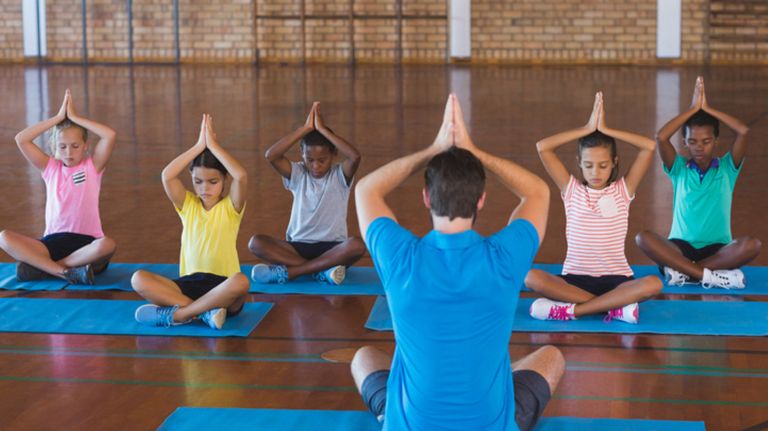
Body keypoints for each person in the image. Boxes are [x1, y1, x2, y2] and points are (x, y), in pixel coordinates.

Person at [351, 94, 564, 431]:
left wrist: (432, 151)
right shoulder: (503, 259)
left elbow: (366, 190)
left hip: (412, 425)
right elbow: (537, 192)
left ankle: (388, 414)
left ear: (425, 197)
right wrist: (476, 154)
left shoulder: (400, 258)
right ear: (481, 199)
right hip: (490, 425)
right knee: (551, 358)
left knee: (363, 358)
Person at [526, 92, 662, 323]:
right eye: (588, 165)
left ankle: (572, 311)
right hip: (574, 280)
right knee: (531, 278)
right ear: (579, 163)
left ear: (614, 163)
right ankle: (613, 308)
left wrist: (607, 130)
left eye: (603, 165)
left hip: (617, 281)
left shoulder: (623, 190)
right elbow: (543, 148)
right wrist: (587, 128)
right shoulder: (571, 190)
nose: (595, 172)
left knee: (654, 283)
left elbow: (649, 147)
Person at [635, 77, 761, 289]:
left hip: (718, 250)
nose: (699, 147)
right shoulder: (679, 169)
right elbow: (661, 137)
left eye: (706, 141)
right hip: (679, 248)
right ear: (684, 142)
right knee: (643, 238)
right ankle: (709, 275)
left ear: (716, 141)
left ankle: (684, 271)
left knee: (751, 245)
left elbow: (743, 131)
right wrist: (693, 109)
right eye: (692, 141)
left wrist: (708, 109)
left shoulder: (727, 168)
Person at [131, 114, 249, 329]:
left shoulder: (231, 208)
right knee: (138, 278)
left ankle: (179, 315)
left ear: (224, 180)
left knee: (241, 281)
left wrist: (213, 146)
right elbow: (167, 176)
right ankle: (203, 313)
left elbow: (241, 176)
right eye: (198, 182)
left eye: (213, 182)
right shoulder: (188, 206)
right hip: (189, 284)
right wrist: (198, 146)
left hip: (222, 287)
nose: (205, 188)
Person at [0, 89, 116, 285]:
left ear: (85, 145)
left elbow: (110, 135)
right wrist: (57, 118)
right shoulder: (49, 168)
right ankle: (64, 272)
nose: (69, 152)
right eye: (62, 146)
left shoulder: (92, 166)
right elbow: (21, 139)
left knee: (108, 244)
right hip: (52, 243)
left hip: (87, 244)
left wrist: (76, 117)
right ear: (54, 147)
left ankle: (46, 269)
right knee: (4, 238)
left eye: (75, 146)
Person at [249, 102, 365, 285]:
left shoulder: (340, 175)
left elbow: (355, 156)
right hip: (297, 247)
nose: (316, 166)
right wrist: (305, 129)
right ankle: (322, 272)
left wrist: (324, 131)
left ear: (333, 154)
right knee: (256, 242)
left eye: (322, 160)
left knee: (357, 245)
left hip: (332, 249)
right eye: (310, 160)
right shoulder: (298, 173)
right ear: (302, 154)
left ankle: (292, 273)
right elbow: (271, 155)